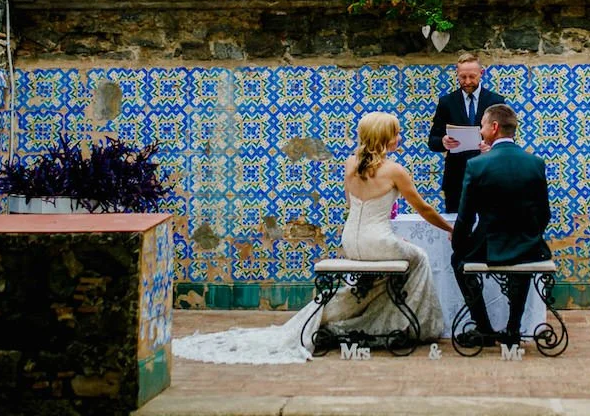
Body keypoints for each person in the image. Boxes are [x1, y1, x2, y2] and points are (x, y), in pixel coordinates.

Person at [173, 112, 451, 364]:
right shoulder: (395, 170)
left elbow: (351, 204)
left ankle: (374, 323)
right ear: (384, 136)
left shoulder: (351, 163)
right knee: (421, 258)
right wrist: (450, 229)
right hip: (378, 241)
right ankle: (409, 326)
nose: (400, 137)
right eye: (396, 132)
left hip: (351, 242)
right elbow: (424, 209)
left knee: (382, 276)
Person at [451, 103, 551, 347]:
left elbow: (466, 217)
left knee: (457, 260)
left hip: (490, 245)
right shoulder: (535, 163)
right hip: (527, 245)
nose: (481, 131)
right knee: (523, 257)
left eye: (483, 125)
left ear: (494, 127)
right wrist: (529, 234)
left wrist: (458, 243)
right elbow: (544, 213)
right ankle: (513, 329)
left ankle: (484, 328)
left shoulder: (477, 165)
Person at [427, 52, 506, 213]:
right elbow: (432, 141)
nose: (467, 82)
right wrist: (443, 141)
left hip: (489, 175)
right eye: (463, 77)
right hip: (456, 180)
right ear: (457, 73)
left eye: (472, 76)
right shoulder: (446, 102)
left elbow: (506, 139)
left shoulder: (495, 101)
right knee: (457, 230)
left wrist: (492, 149)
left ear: (481, 73)